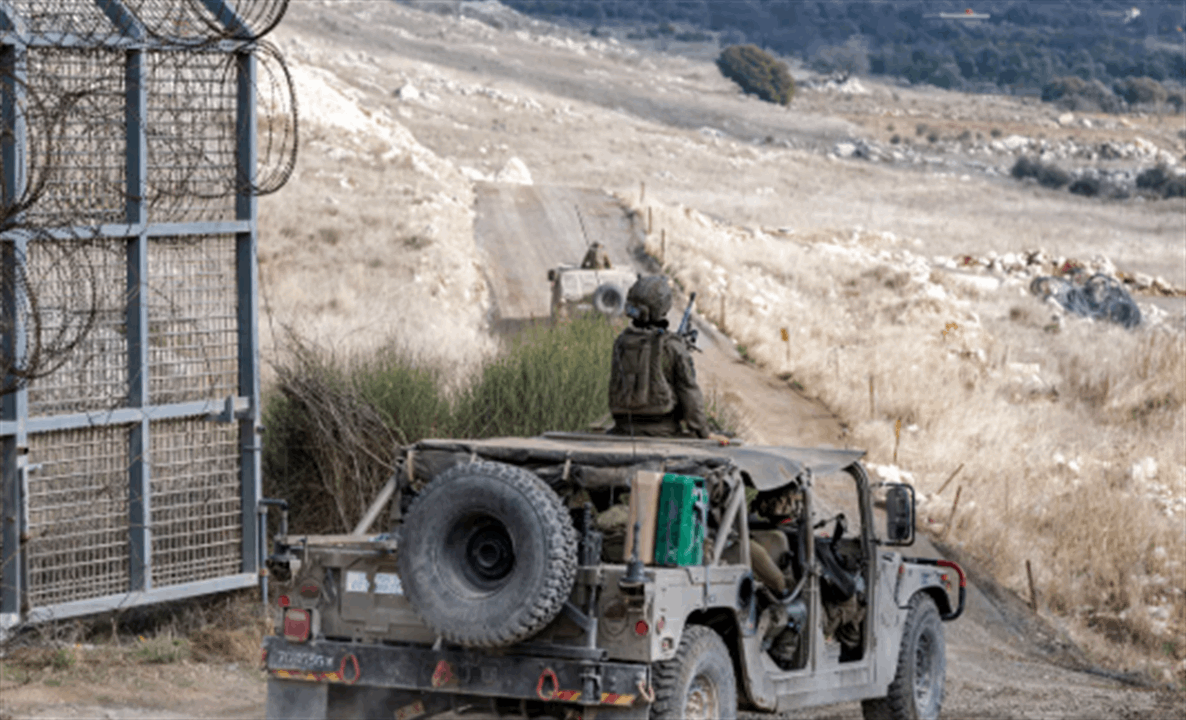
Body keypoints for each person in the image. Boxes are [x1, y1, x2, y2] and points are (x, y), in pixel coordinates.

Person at [608, 275, 709, 438]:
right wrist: (703, 431)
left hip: (623, 428)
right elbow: (688, 391)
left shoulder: (621, 342)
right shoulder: (672, 346)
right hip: (663, 430)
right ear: (663, 307)